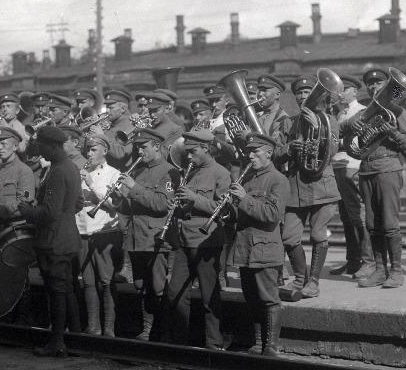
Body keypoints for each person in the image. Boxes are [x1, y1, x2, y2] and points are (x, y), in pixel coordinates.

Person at [344, 69, 406, 288]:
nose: (374, 88)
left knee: (390, 224)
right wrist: (351, 130)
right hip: (366, 169)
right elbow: (350, 146)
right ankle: (379, 269)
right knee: (371, 224)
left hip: (388, 169)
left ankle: (396, 271)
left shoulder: (398, 111)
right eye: (370, 85)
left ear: (387, 86)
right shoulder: (363, 113)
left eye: (379, 84)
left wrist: (393, 132)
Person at [17, 126, 83, 357]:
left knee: (56, 291)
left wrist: (27, 211)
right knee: (67, 289)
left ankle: (57, 342)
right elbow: (78, 204)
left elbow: (49, 212)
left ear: (53, 146)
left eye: (43, 146)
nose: (40, 150)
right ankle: (75, 338)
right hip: (68, 237)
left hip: (53, 240)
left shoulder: (57, 171)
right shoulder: (72, 167)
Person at [275, 76, 341, 301]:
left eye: (307, 93)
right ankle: (301, 279)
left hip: (322, 187)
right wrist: (289, 148)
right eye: (300, 94)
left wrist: (316, 129)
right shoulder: (289, 122)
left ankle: (313, 282)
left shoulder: (329, 119)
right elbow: (275, 152)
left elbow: (330, 152)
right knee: (289, 236)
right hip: (296, 188)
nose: (303, 97)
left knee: (317, 233)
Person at [163, 129, 231, 349]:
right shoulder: (189, 172)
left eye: (193, 152)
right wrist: (177, 207)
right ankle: (180, 341)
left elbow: (223, 211)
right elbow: (185, 208)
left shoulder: (221, 173)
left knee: (209, 295)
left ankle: (214, 343)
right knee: (175, 291)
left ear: (206, 148)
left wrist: (194, 198)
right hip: (184, 240)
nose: (189, 157)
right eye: (188, 152)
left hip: (206, 241)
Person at [229, 133, 290, 356]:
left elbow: (272, 215)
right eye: (249, 151)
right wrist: (229, 207)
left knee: (269, 299)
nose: (250, 155)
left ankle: (271, 346)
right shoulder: (248, 178)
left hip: (265, 249)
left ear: (269, 153)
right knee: (252, 299)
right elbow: (241, 214)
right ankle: (258, 343)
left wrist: (244, 198)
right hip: (246, 249)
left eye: (255, 151)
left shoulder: (278, 180)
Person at [114, 128, 177, 341]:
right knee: (140, 285)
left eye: (144, 147)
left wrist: (133, 188)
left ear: (157, 146)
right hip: (136, 237)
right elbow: (129, 206)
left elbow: (161, 204)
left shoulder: (169, 171)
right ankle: (148, 329)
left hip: (154, 238)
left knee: (157, 287)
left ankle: (162, 332)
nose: (139, 152)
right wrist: (118, 197)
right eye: (138, 147)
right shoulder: (138, 169)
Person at [76, 135, 122, 336]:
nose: (89, 153)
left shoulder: (114, 173)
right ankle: (94, 327)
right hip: (82, 231)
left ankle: (109, 329)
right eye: (88, 150)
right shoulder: (82, 173)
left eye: (94, 149)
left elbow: (114, 204)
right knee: (88, 282)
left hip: (104, 232)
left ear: (105, 150)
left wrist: (91, 183)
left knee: (106, 280)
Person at [329, 75, 373, 278]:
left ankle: (367, 260)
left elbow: (354, 140)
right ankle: (353, 261)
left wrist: (336, 140)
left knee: (358, 216)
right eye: (338, 90)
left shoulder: (362, 111)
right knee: (346, 217)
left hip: (351, 167)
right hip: (338, 166)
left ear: (355, 91)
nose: (340, 93)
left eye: (344, 89)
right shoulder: (340, 114)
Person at [0, 127, 37, 220]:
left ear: (15, 147)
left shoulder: (24, 171)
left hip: (16, 226)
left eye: (3, 144)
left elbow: (25, 200)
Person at [103, 89, 135, 171]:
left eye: (111, 108)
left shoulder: (131, 127)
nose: (107, 111)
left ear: (123, 109)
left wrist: (101, 136)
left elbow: (121, 154)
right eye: (106, 107)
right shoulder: (109, 124)